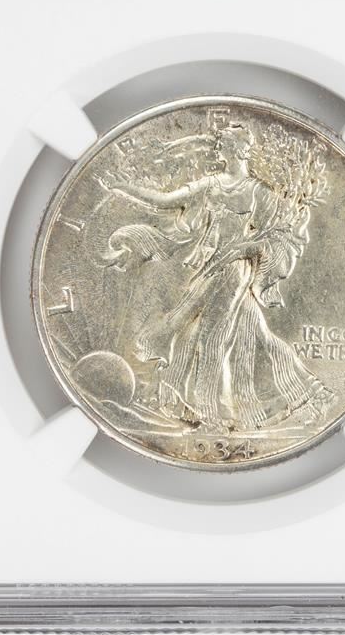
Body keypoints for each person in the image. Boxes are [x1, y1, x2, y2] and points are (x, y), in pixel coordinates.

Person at [100, 122, 333, 431]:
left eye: (223, 143)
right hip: (208, 267)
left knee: (211, 338)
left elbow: (281, 236)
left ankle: (209, 412)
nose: (217, 148)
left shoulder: (259, 193)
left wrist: (242, 249)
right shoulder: (211, 184)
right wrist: (123, 188)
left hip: (235, 271)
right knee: (249, 334)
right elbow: (165, 201)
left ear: (238, 149)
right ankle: (305, 395)